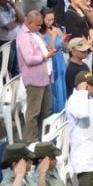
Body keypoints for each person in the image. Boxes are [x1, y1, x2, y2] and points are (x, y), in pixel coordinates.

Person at [17, 12, 56, 143]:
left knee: (46, 110)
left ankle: (43, 138)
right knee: (34, 112)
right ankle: (31, 140)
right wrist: (45, 56)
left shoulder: (34, 33)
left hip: (44, 76)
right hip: (34, 79)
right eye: (38, 25)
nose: (40, 27)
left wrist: (47, 49)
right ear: (29, 22)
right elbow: (29, 59)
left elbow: (39, 49)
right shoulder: (23, 36)